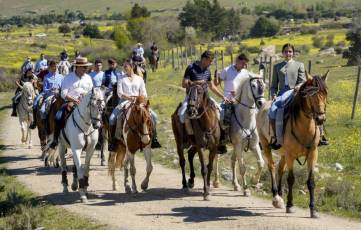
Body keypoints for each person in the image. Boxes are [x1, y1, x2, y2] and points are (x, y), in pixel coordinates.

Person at [179, 51, 227, 152]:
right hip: (192, 97)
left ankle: (221, 139)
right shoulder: (191, 68)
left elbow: (211, 86)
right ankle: (185, 140)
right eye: (210, 61)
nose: (210, 63)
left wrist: (223, 96)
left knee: (220, 111)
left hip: (205, 98)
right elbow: (184, 84)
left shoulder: (208, 70)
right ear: (204, 59)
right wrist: (195, 83)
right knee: (182, 113)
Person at [108, 59, 161, 151]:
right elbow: (119, 93)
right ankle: (113, 142)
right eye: (123, 66)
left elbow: (144, 93)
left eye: (126, 66)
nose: (124, 68)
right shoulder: (121, 78)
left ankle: (154, 138)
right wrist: (129, 98)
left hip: (139, 102)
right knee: (112, 118)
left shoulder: (139, 79)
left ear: (132, 67)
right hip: (124, 101)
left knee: (154, 117)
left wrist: (139, 99)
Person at [49, 57, 93, 149]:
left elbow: (91, 92)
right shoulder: (68, 78)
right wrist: (74, 100)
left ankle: (95, 139)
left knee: (97, 116)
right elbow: (63, 93)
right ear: (77, 67)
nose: (85, 69)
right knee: (58, 117)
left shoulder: (88, 78)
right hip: (71, 102)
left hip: (86, 104)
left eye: (86, 67)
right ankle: (55, 140)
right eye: (83, 67)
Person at [268, 43, 306, 150]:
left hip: (295, 92)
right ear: (282, 53)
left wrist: (297, 87)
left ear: (293, 53)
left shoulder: (299, 65)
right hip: (281, 94)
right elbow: (274, 86)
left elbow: (302, 81)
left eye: (290, 51)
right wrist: (274, 95)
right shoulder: (277, 67)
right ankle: (276, 137)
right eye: (286, 51)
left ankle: (320, 136)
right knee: (272, 111)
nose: (288, 53)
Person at [214, 53, 249, 130]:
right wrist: (215, 76)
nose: (244, 66)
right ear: (237, 61)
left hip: (242, 99)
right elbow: (216, 84)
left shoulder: (245, 72)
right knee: (226, 114)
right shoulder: (226, 70)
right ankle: (226, 132)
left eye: (245, 64)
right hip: (229, 99)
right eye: (242, 63)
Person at [30, 60, 63, 129]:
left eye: (55, 67)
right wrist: (51, 90)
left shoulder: (61, 77)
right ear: (50, 67)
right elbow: (45, 90)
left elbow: (64, 87)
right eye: (53, 67)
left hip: (60, 96)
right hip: (49, 96)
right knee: (41, 110)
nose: (54, 68)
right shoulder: (46, 77)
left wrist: (60, 90)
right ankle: (42, 124)